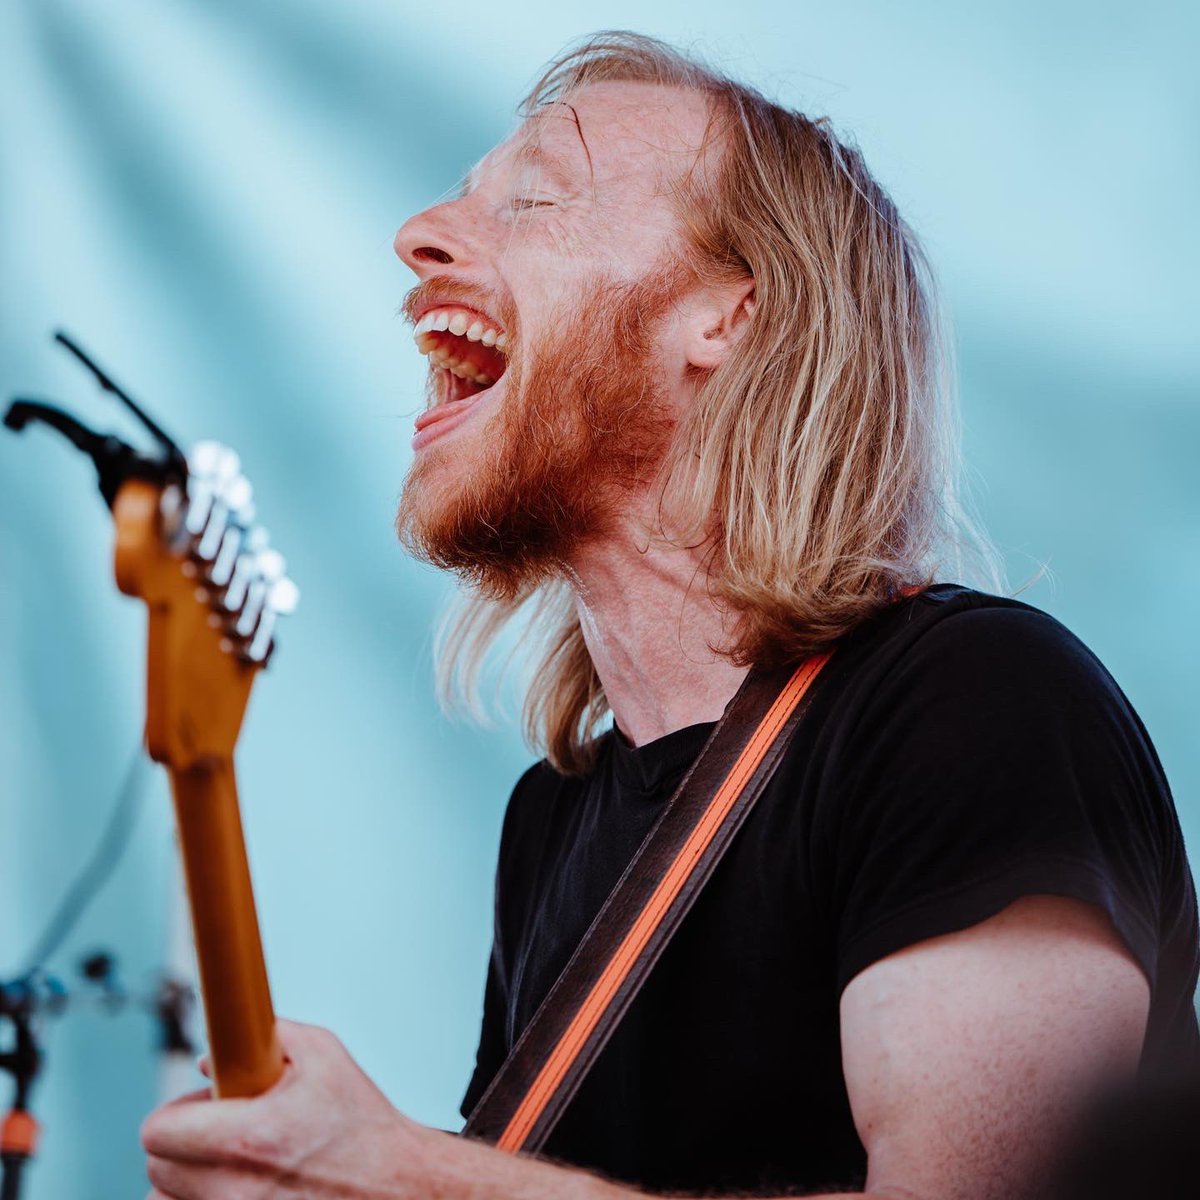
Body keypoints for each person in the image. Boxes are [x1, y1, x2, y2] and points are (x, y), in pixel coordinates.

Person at [141, 31, 1199, 1200]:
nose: (419, 236)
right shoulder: (554, 823)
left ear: (729, 319)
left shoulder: (976, 706)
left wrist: (397, 1175)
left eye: (536, 197)